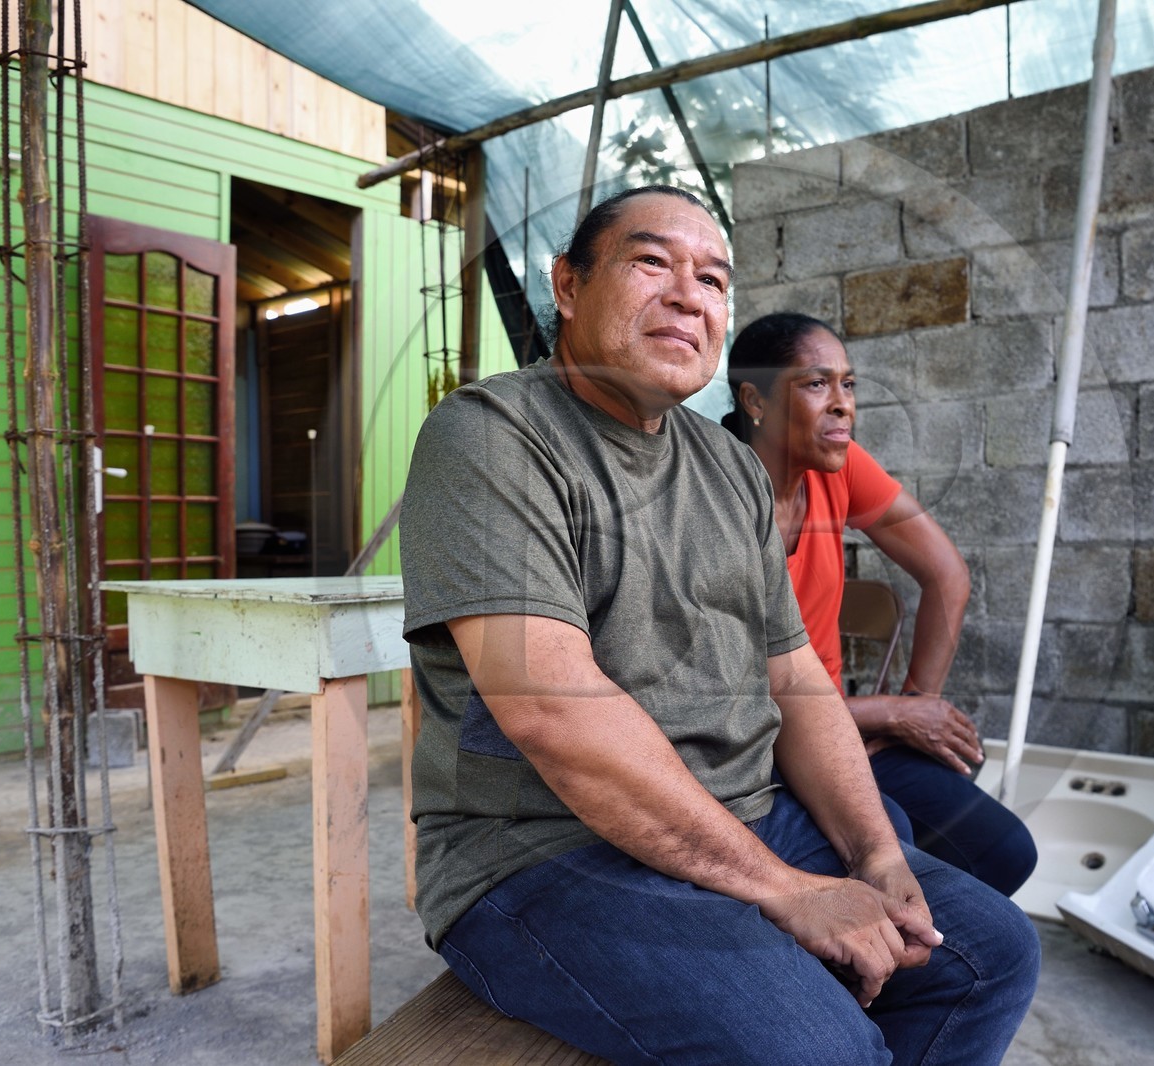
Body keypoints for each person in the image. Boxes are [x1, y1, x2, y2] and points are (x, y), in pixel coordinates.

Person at [399, 185, 1039, 1065]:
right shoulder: (492, 436)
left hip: (742, 814)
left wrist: (877, 854)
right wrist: (785, 890)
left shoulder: (726, 468)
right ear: (568, 285)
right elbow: (551, 706)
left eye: (712, 278)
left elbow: (798, 679)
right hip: (545, 855)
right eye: (652, 261)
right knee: (823, 1050)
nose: (688, 294)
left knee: (989, 955)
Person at [721, 312, 1037, 898]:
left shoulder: (834, 468)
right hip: (755, 755)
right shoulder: (713, 499)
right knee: (890, 847)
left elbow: (946, 575)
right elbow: (735, 697)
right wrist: (891, 713)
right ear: (754, 400)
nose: (843, 404)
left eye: (849, 384)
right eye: (817, 384)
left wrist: (920, 703)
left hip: (843, 734)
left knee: (1003, 852)